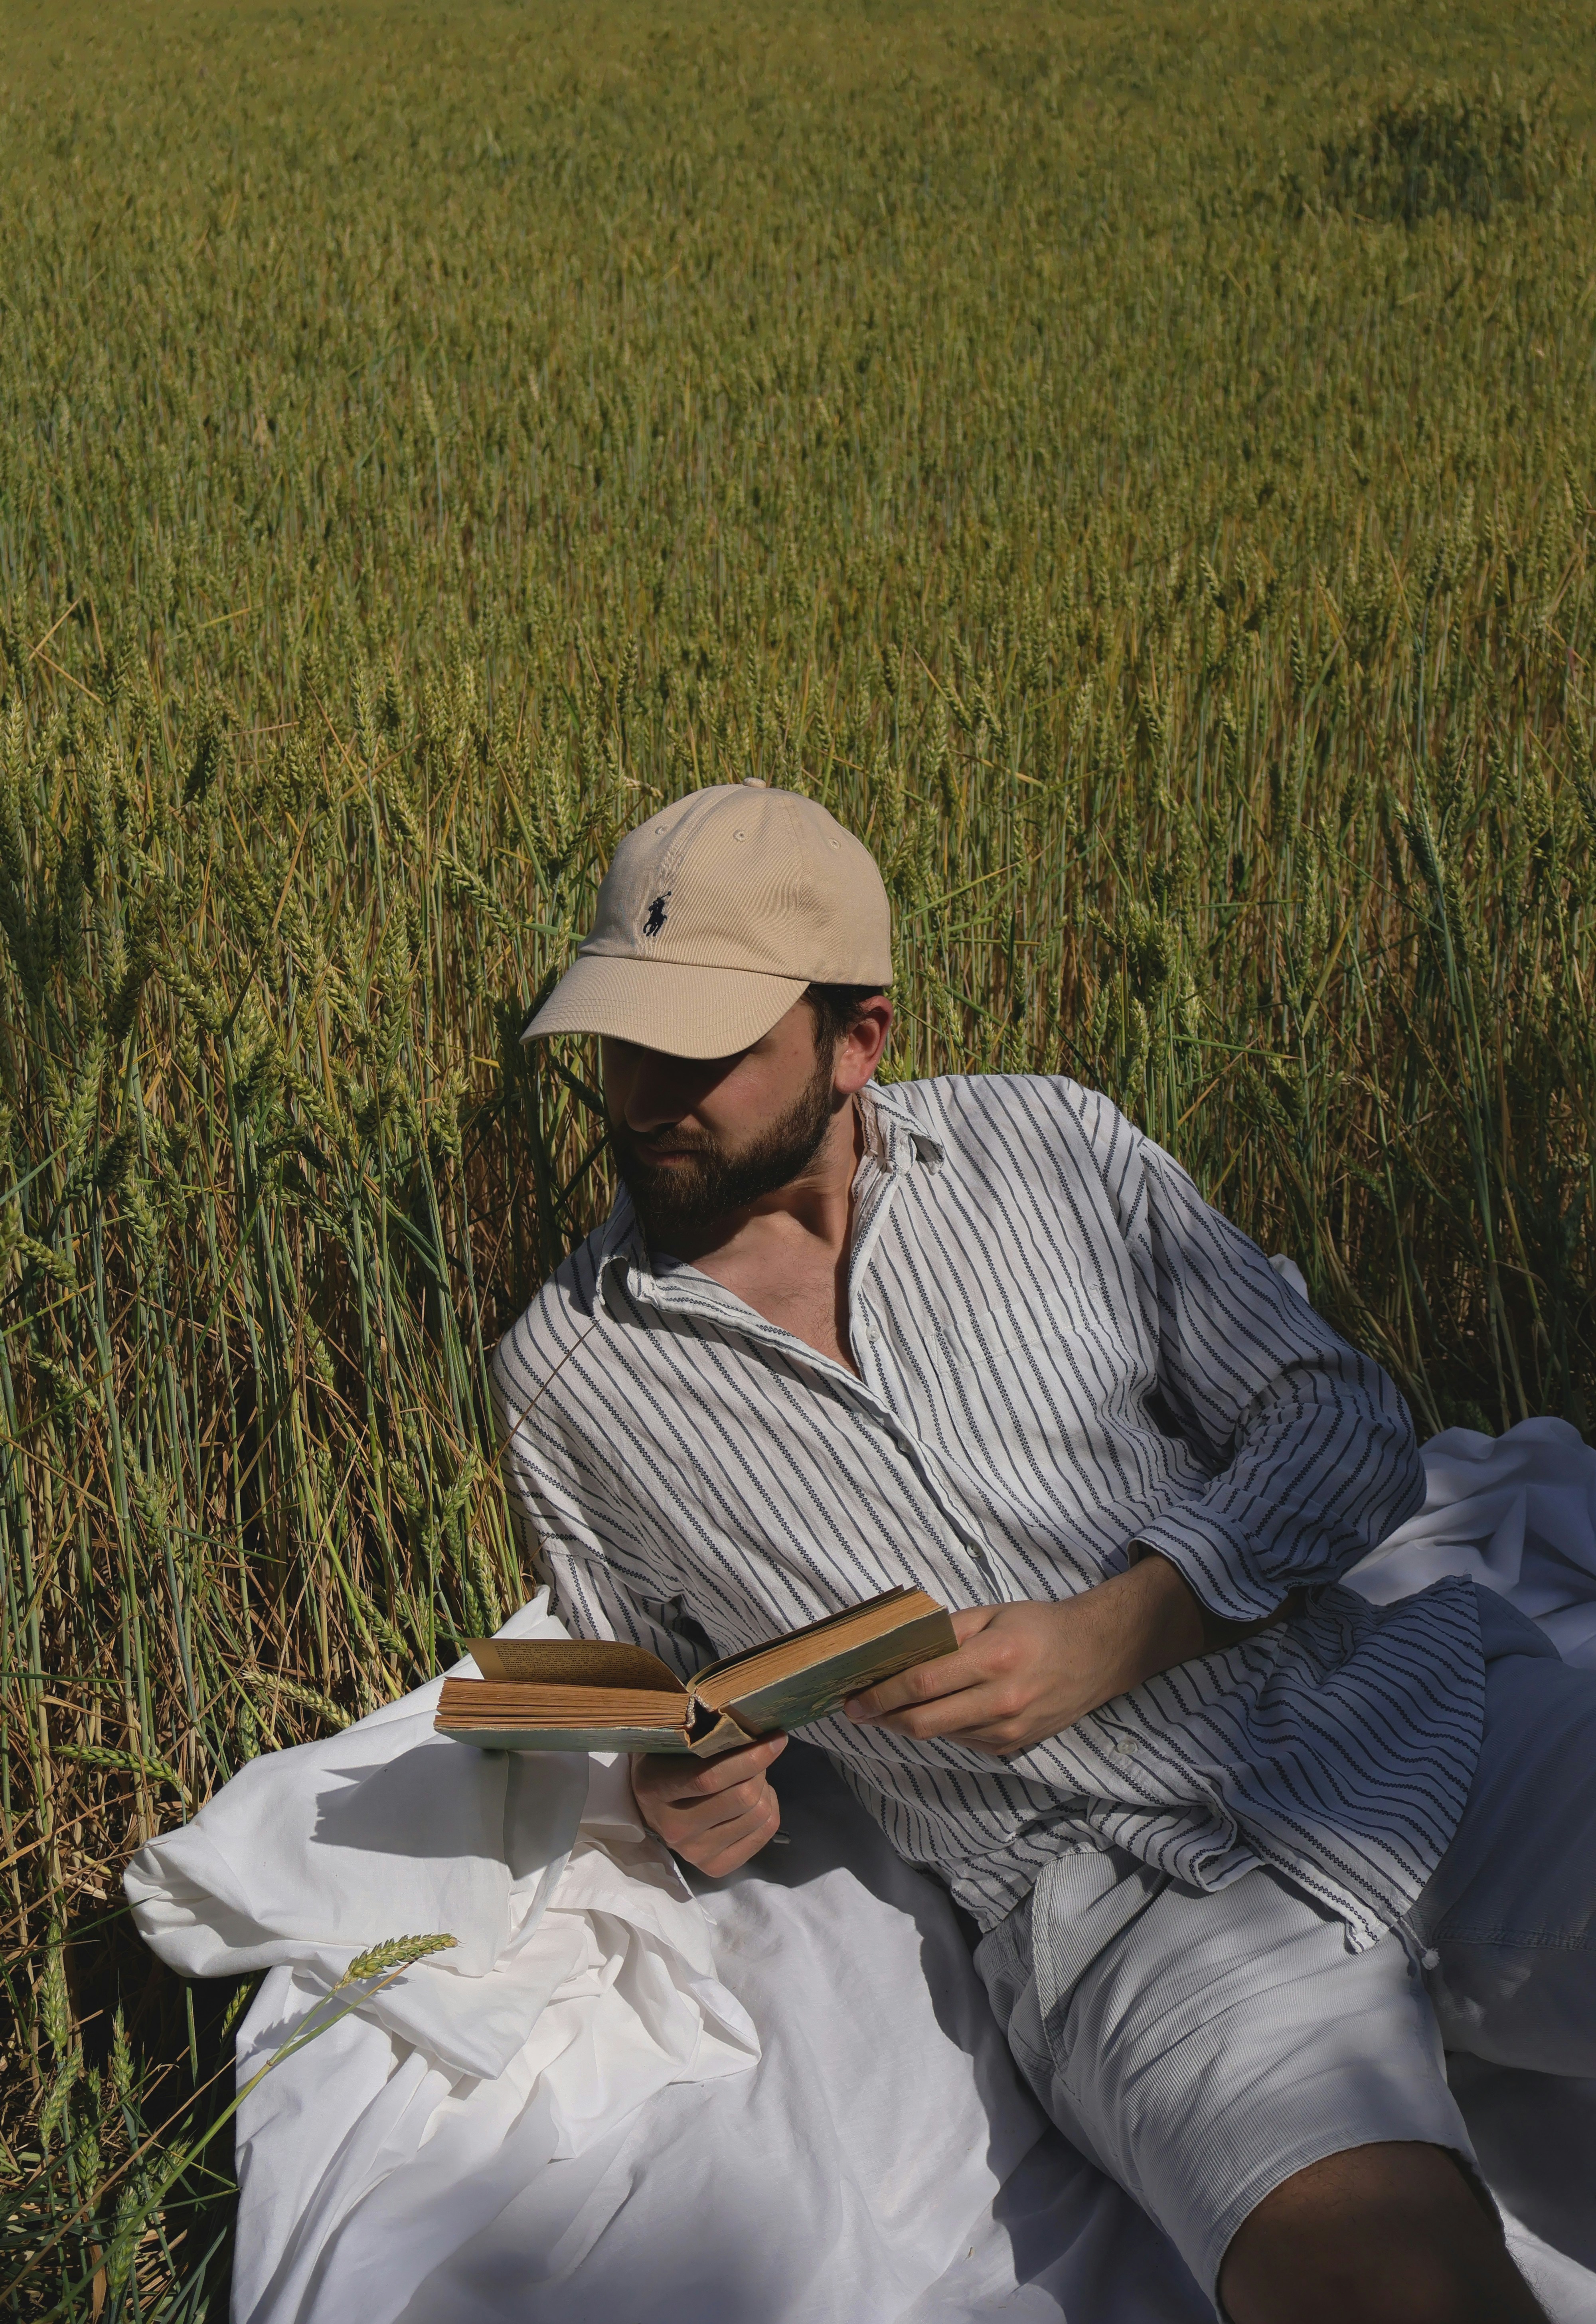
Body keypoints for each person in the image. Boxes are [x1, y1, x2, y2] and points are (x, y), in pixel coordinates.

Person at [492, 779, 1594, 2324]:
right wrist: (681, 1794)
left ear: (857, 1037)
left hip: (1403, 1715)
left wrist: (1134, 1621)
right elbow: (667, 1696)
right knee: (1378, 2290)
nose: (643, 1091)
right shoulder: (566, 1371)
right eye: (619, 1040)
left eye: (704, 1049)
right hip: (1115, 1908)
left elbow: (1343, 1418)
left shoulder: (1052, 1143)